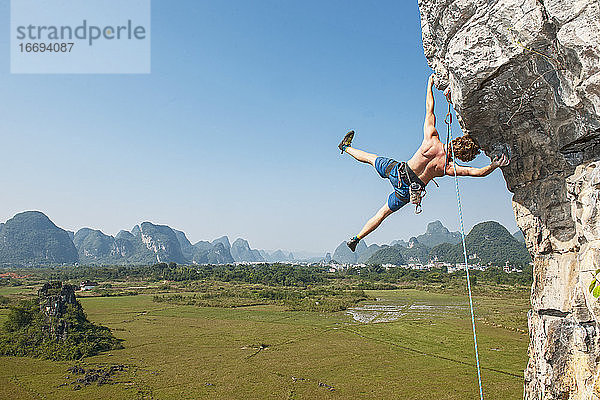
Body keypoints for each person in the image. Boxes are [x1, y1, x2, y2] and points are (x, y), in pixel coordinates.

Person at [338, 74, 510, 252]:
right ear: (462, 157)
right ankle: (356, 238)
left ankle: (346, 148)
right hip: (408, 191)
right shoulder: (447, 167)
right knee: (382, 214)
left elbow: (430, 109)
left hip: (398, 171)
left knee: (370, 158)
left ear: (457, 140)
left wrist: (429, 85)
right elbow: (478, 172)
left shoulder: (431, 139)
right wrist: (495, 165)